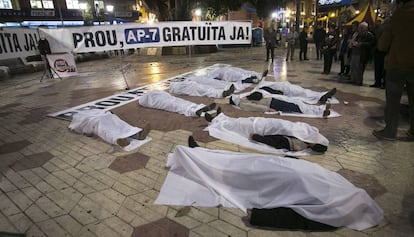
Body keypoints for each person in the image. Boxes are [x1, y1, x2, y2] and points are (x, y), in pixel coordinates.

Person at [155, 144, 384, 231]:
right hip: (282, 170)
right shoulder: (338, 198)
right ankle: (196, 154)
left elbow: (298, 219)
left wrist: (259, 217)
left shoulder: (333, 210)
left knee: (236, 173)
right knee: (239, 164)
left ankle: (193, 155)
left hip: (275, 179)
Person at [373, 0, 414, 141]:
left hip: (397, 64)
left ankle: (390, 131)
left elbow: (383, 45)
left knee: (393, 101)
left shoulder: (399, 16)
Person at [203, 113, 329, 155]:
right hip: (267, 123)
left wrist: (257, 138)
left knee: (237, 125)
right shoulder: (308, 133)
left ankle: (214, 121)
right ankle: (220, 117)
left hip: (262, 130)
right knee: (239, 121)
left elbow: (277, 143)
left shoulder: (298, 145)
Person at [68, 110, 151, 149]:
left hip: (105, 117)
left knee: (118, 123)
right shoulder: (80, 118)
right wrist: (87, 131)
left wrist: (109, 113)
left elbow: (106, 112)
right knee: (105, 129)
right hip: (96, 121)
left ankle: (137, 135)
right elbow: (80, 127)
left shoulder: (93, 111)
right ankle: (121, 140)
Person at [229, 91, 336, 118]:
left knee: (296, 104)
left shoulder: (243, 99)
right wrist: (268, 109)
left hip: (273, 100)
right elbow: (255, 107)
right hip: (272, 103)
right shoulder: (243, 103)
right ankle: (320, 112)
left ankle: (318, 109)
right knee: (295, 108)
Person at [138, 90, 218, 117]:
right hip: (163, 102)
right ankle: (195, 111)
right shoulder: (143, 99)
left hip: (167, 99)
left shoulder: (149, 95)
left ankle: (198, 108)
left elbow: (164, 94)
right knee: (176, 105)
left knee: (180, 102)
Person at [256, 81, 338, 104]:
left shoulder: (265, 85)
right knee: (303, 93)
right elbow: (273, 92)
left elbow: (274, 88)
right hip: (286, 90)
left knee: (303, 91)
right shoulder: (263, 88)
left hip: (285, 87)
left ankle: (321, 95)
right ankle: (320, 96)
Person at [371, 20, 386, 88]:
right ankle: (378, 82)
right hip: (378, 50)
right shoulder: (377, 29)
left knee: (380, 68)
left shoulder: (382, 30)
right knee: (378, 68)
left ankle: (379, 82)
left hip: (381, 50)